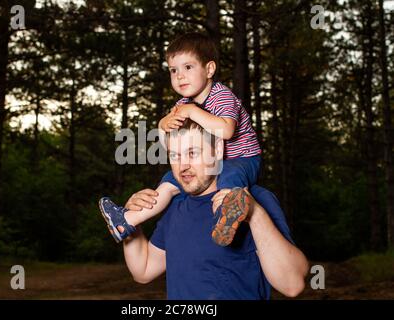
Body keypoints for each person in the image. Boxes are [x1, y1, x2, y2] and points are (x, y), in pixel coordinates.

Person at [99, 32, 261, 246]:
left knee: (230, 177)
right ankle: (126, 221)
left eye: (188, 67)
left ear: (209, 69)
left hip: (242, 159)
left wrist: (192, 112)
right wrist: (161, 126)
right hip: (206, 163)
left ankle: (227, 218)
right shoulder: (183, 103)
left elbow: (227, 131)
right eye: (173, 70)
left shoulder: (221, 96)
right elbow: (170, 145)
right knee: (168, 181)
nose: (179, 76)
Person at [122, 119, 309, 299]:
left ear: (218, 149)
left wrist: (254, 213)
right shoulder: (175, 206)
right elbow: (143, 270)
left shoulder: (258, 199)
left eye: (192, 153)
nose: (183, 166)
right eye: (174, 155)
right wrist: (130, 225)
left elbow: (292, 285)